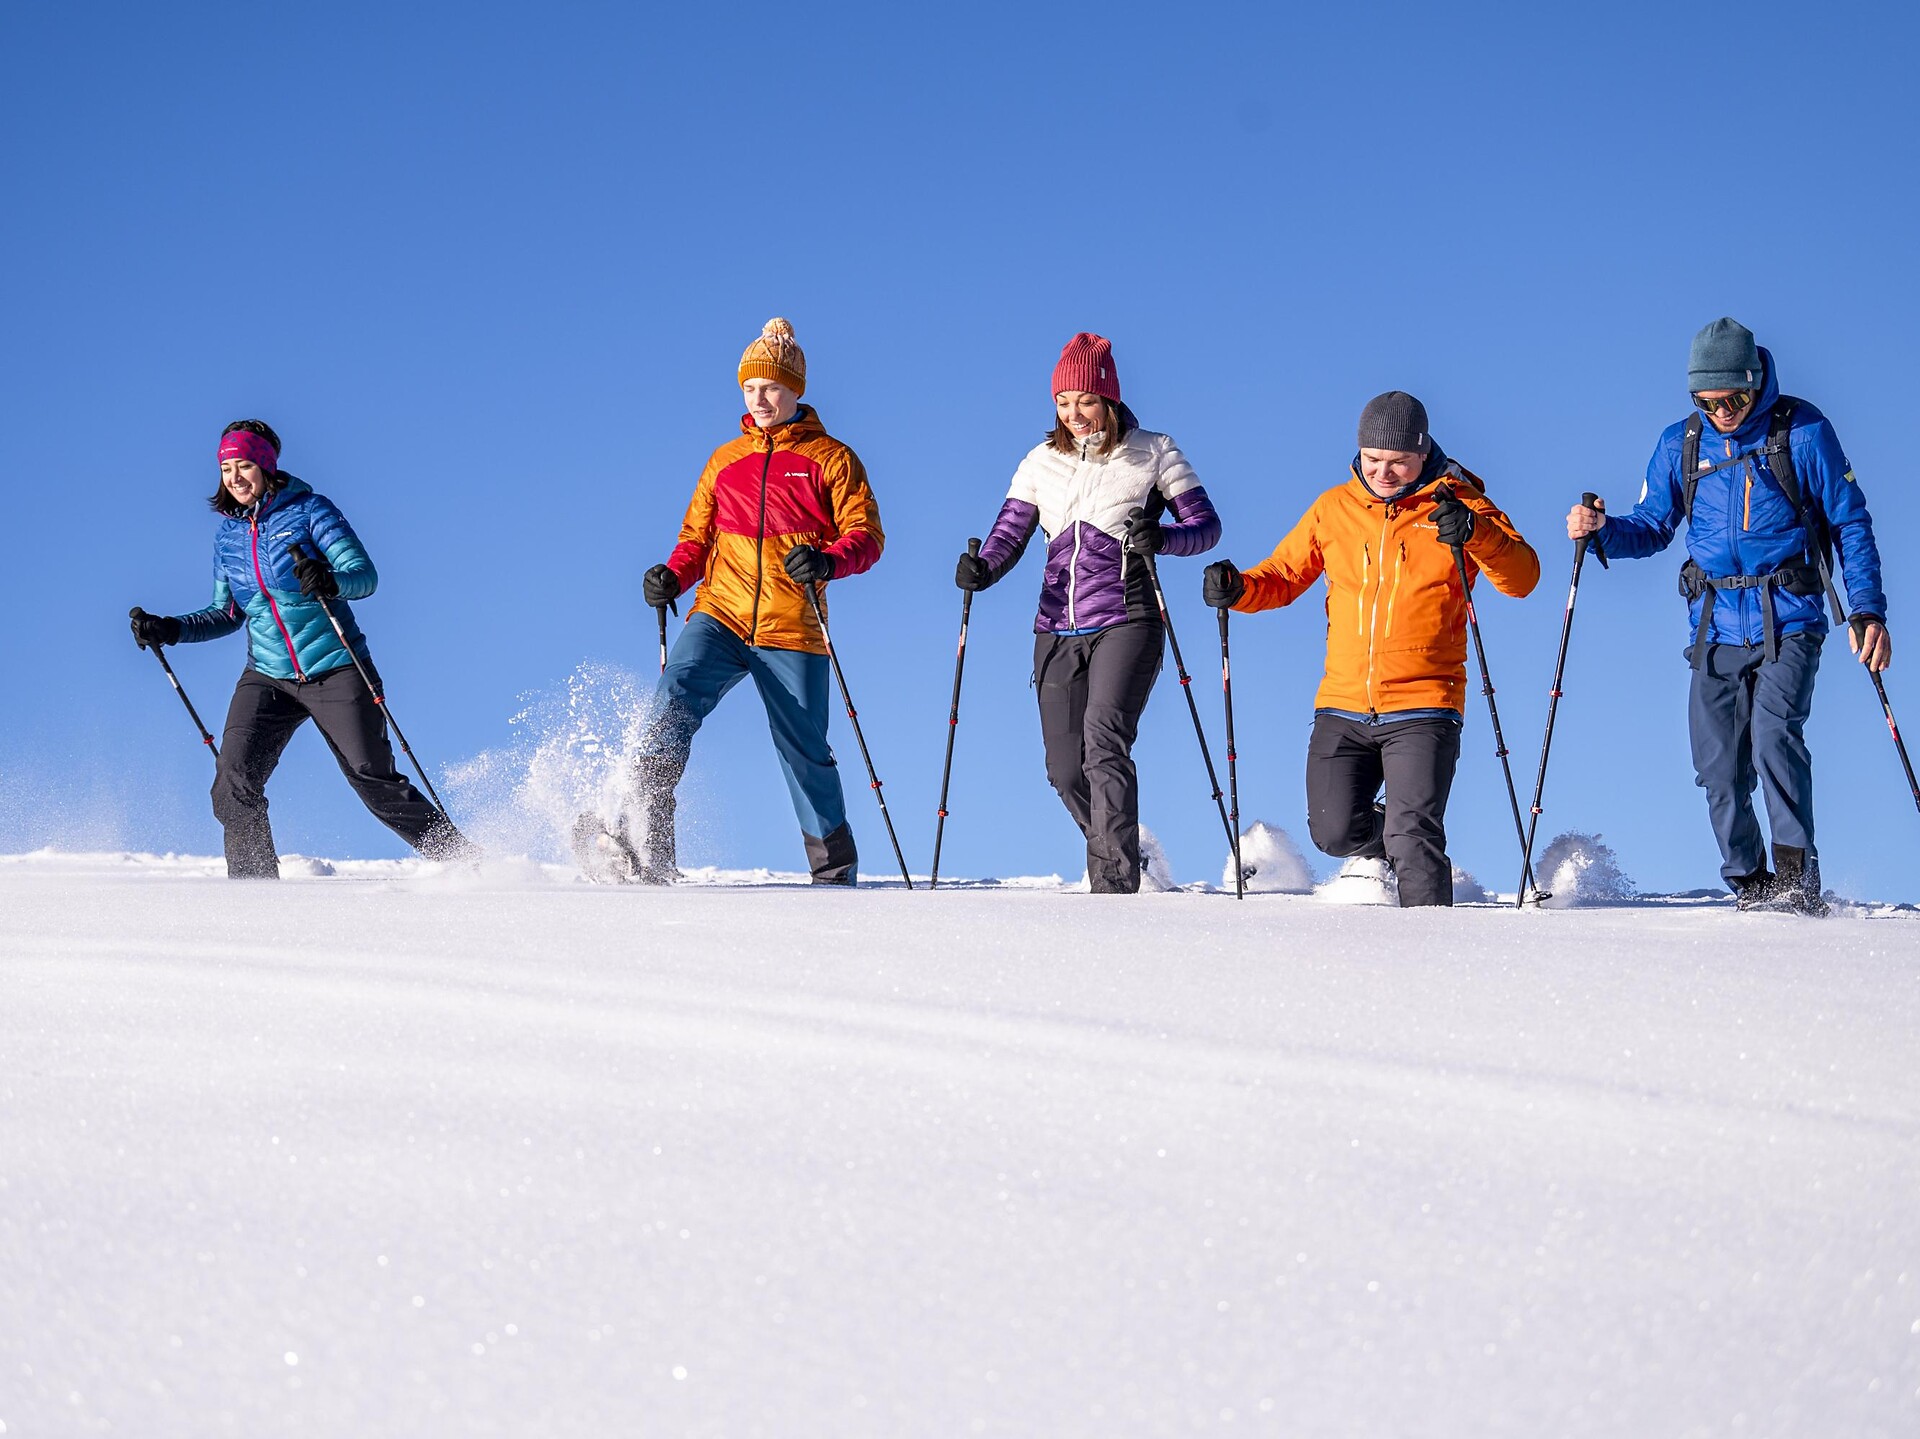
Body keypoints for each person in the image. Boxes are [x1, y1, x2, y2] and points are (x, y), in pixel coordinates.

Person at [1566, 319, 1889, 915]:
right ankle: (1750, 885)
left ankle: (1795, 887)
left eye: (1733, 400)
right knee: (1717, 768)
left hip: (1788, 618)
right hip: (1712, 626)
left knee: (1774, 738)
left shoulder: (1803, 431)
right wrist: (1603, 532)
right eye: (1706, 402)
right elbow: (1653, 526)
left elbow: (1850, 521)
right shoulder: (1680, 443)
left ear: (1756, 381)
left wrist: (1867, 611)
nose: (1721, 413)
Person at [1202, 392, 1539, 906]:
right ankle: (1398, 841)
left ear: (1423, 454)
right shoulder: (1334, 507)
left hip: (1425, 702)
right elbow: (1286, 574)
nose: (1383, 471)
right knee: (1333, 832)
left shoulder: (1460, 505)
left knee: (1414, 837)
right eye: (1373, 459)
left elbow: (1522, 578)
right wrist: (1239, 589)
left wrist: (1476, 536)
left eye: (1398, 461)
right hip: (1343, 701)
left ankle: (1430, 953)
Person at [129, 419, 470, 878]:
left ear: (267, 466)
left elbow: (364, 576)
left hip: (335, 667)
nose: (234, 477)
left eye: (244, 464)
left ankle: (468, 862)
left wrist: (329, 579)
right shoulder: (227, 538)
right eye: (227, 467)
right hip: (267, 676)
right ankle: (256, 893)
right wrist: (170, 628)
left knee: (373, 779)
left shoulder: (311, 511)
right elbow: (227, 613)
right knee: (233, 783)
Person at [614, 318, 884, 885]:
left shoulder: (831, 459)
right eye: (749, 388)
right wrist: (671, 577)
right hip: (721, 612)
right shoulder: (724, 461)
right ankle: (646, 836)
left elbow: (867, 535)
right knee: (672, 699)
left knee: (803, 751)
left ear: (795, 391)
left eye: (770, 388)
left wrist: (829, 561)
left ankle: (834, 872)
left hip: (793, 626)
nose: (759, 398)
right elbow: (695, 541)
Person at [954, 332, 1220, 892]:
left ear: (1109, 399)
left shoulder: (1154, 450)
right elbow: (1009, 533)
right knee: (1064, 769)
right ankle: (1120, 847)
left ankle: (1115, 885)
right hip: (1055, 625)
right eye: (1062, 402)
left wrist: (1163, 537)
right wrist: (985, 570)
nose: (1074, 413)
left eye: (1085, 400)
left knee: (1104, 741)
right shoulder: (1040, 459)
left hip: (1127, 616)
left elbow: (1206, 527)